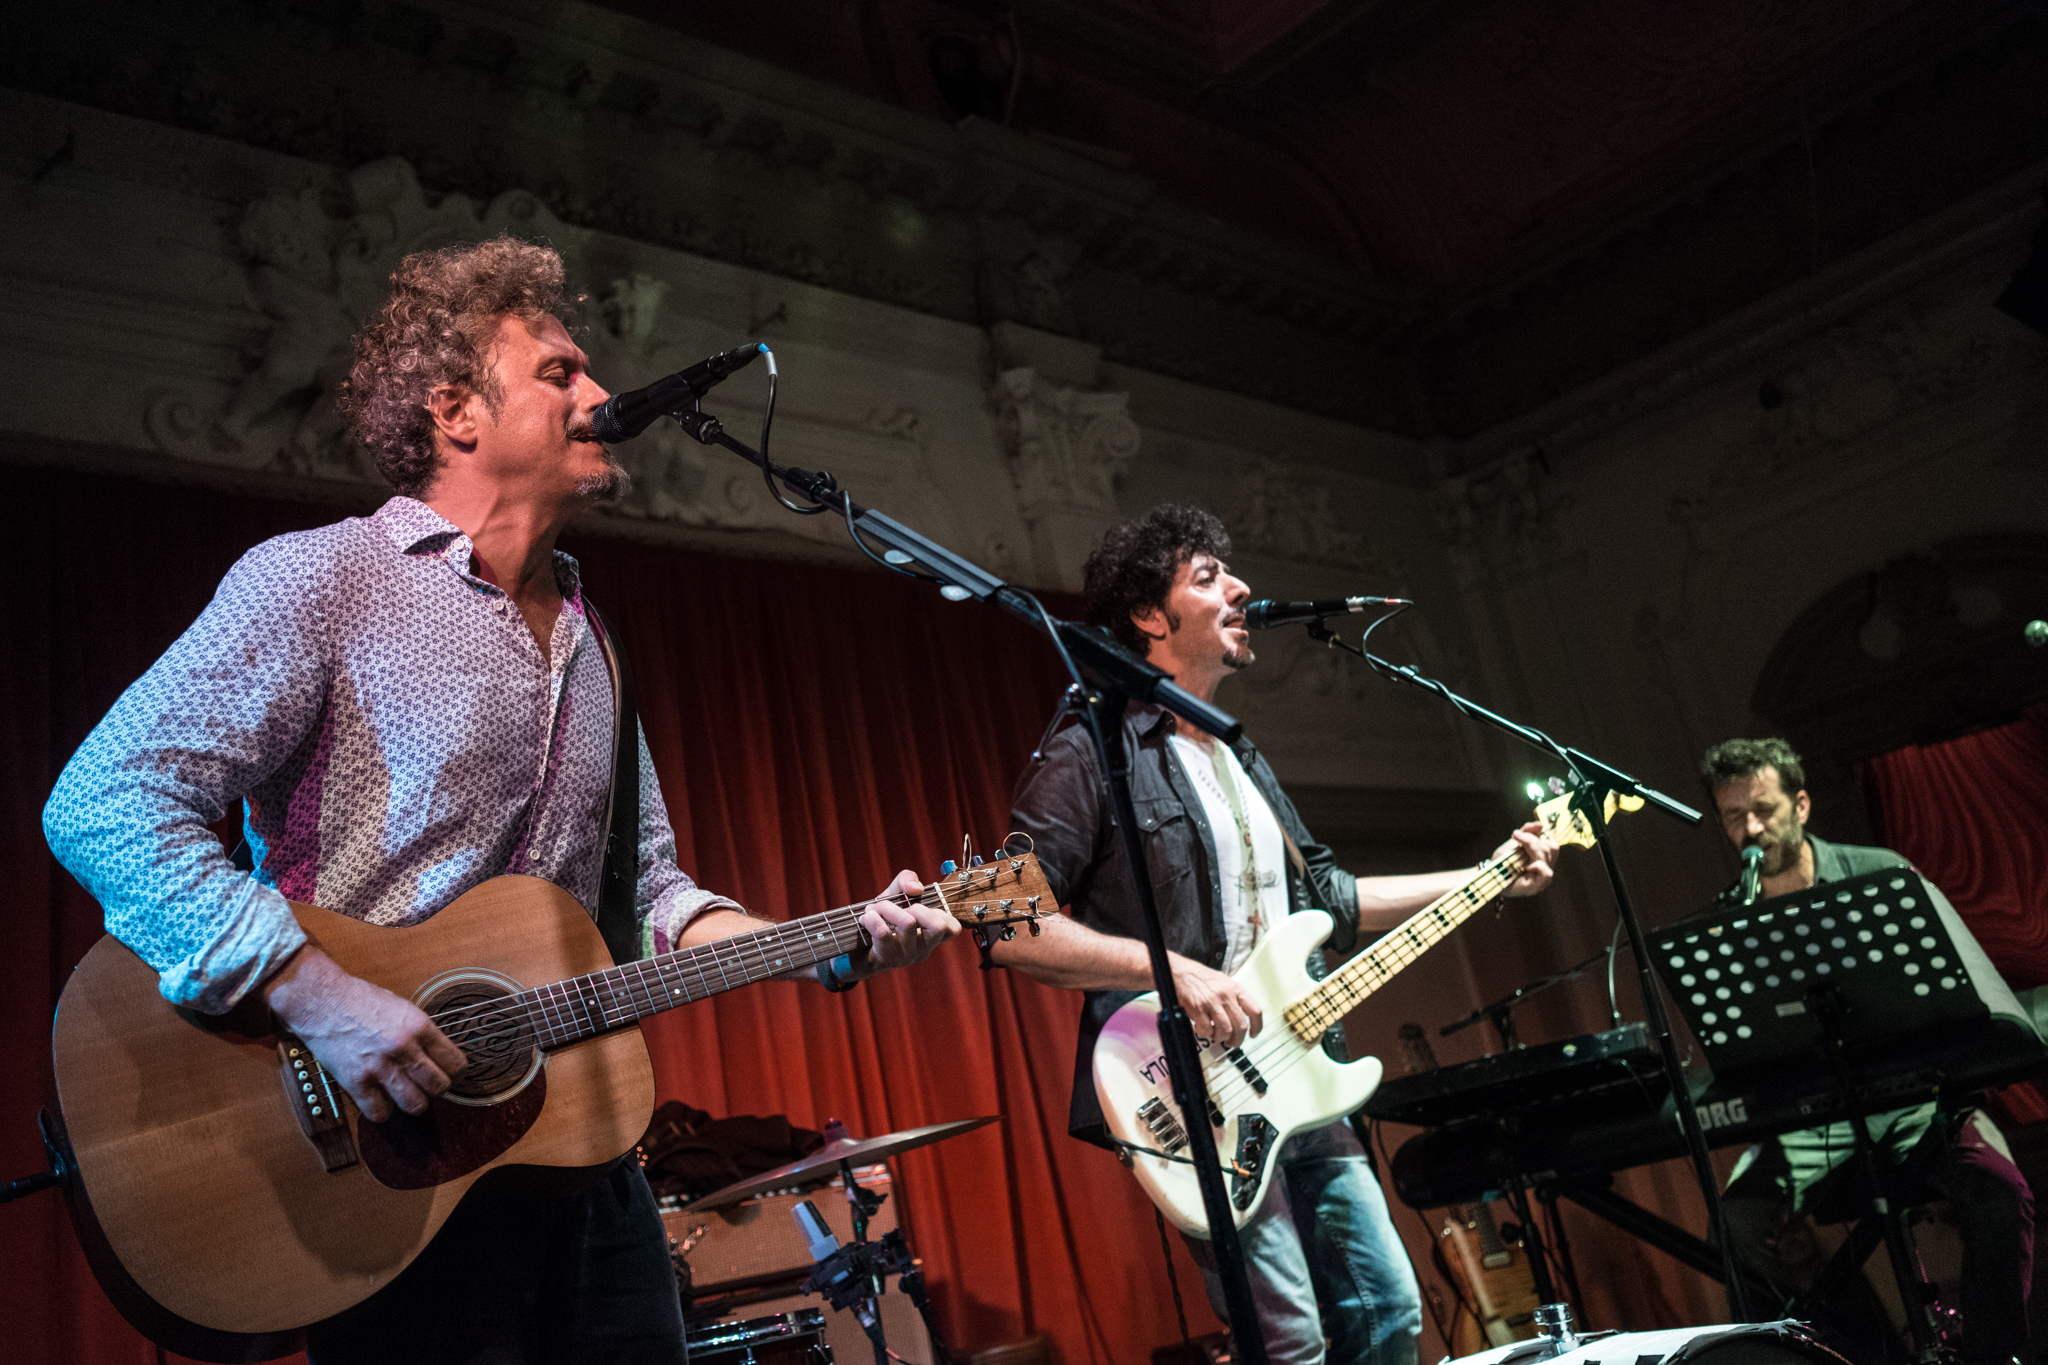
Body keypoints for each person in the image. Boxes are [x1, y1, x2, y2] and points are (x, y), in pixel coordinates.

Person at [41, 236, 962, 1365]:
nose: (602, 395)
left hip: (578, 1158)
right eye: (559, 372)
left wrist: (824, 945)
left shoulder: (591, 641)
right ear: (454, 412)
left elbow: (653, 888)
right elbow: (105, 800)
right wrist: (318, 995)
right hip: (386, 1161)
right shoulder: (323, 578)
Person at [991, 504, 1560, 1365]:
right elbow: (1004, 923)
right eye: (1209, 575)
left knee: (1393, 1311)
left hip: (1297, 1073)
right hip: (1189, 1093)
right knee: (1291, 1341)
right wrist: (1173, 972)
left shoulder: (1236, 753)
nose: (1242, 585)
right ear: (1150, 615)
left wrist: (1487, 876)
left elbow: (1328, 895)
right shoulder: (1092, 741)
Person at [1701, 737, 2033, 1365]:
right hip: (1816, 1125)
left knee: (1999, 1190)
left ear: (1801, 804)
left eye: (1764, 809)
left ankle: (1994, 1359)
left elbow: (1965, 994)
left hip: (1919, 1105)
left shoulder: (1880, 874)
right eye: (1732, 816)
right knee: (1737, 1226)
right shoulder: (1732, 919)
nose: (1750, 828)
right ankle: (1865, 1354)